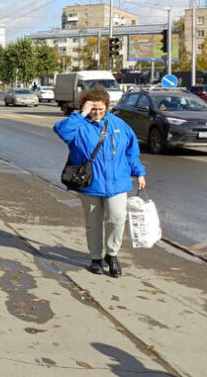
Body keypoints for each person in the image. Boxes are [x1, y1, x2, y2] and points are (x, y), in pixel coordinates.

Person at [53, 86, 146, 278]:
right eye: (93, 109)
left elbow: (131, 152)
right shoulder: (79, 125)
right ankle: (95, 258)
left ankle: (111, 255)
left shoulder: (119, 125)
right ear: (86, 107)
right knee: (93, 222)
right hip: (90, 183)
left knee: (117, 218)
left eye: (100, 109)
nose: (97, 113)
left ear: (107, 107)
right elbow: (62, 131)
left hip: (117, 182)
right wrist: (82, 114)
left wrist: (139, 173)